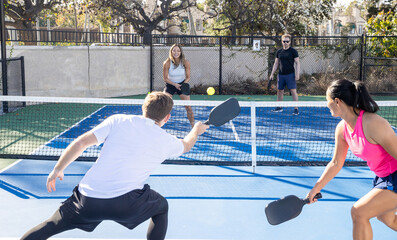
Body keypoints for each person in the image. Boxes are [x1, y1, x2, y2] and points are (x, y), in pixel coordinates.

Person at [21, 92, 209, 240]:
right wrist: (196, 130)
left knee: (51, 225)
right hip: (127, 204)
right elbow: (186, 145)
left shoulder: (117, 120)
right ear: (167, 117)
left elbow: (80, 143)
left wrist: (58, 169)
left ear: (143, 108)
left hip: (88, 200)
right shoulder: (166, 141)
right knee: (161, 207)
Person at [306, 79, 397, 240]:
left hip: (395, 175)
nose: (327, 105)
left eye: (327, 101)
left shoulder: (373, 123)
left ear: (337, 101)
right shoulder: (342, 129)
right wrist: (316, 188)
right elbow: (336, 163)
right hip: (383, 176)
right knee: (385, 217)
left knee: (359, 212)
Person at [163, 44, 195, 127]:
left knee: (188, 107)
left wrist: (182, 85)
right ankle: (158, 125)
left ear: (181, 52)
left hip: (182, 84)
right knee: (163, 104)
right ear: (171, 51)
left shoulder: (185, 62)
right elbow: (165, 78)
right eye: (174, 50)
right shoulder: (167, 63)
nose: (176, 52)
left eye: (178, 51)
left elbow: (188, 77)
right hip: (170, 84)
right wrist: (175, 84)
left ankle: (193, 127)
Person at [269, 34, 300, 115]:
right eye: (284, 41)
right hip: (281, 75)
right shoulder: (279, 52)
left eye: (287, 41)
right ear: (282, 42)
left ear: (289, 42)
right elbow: (276, 63)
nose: (285, 43)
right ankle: (279, 107)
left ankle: (296, 109)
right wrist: (272, 74)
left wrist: (297, 74)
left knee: (293, 91)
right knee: (279, 91)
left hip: (290, 75)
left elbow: (297, 63)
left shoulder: (293, 51)